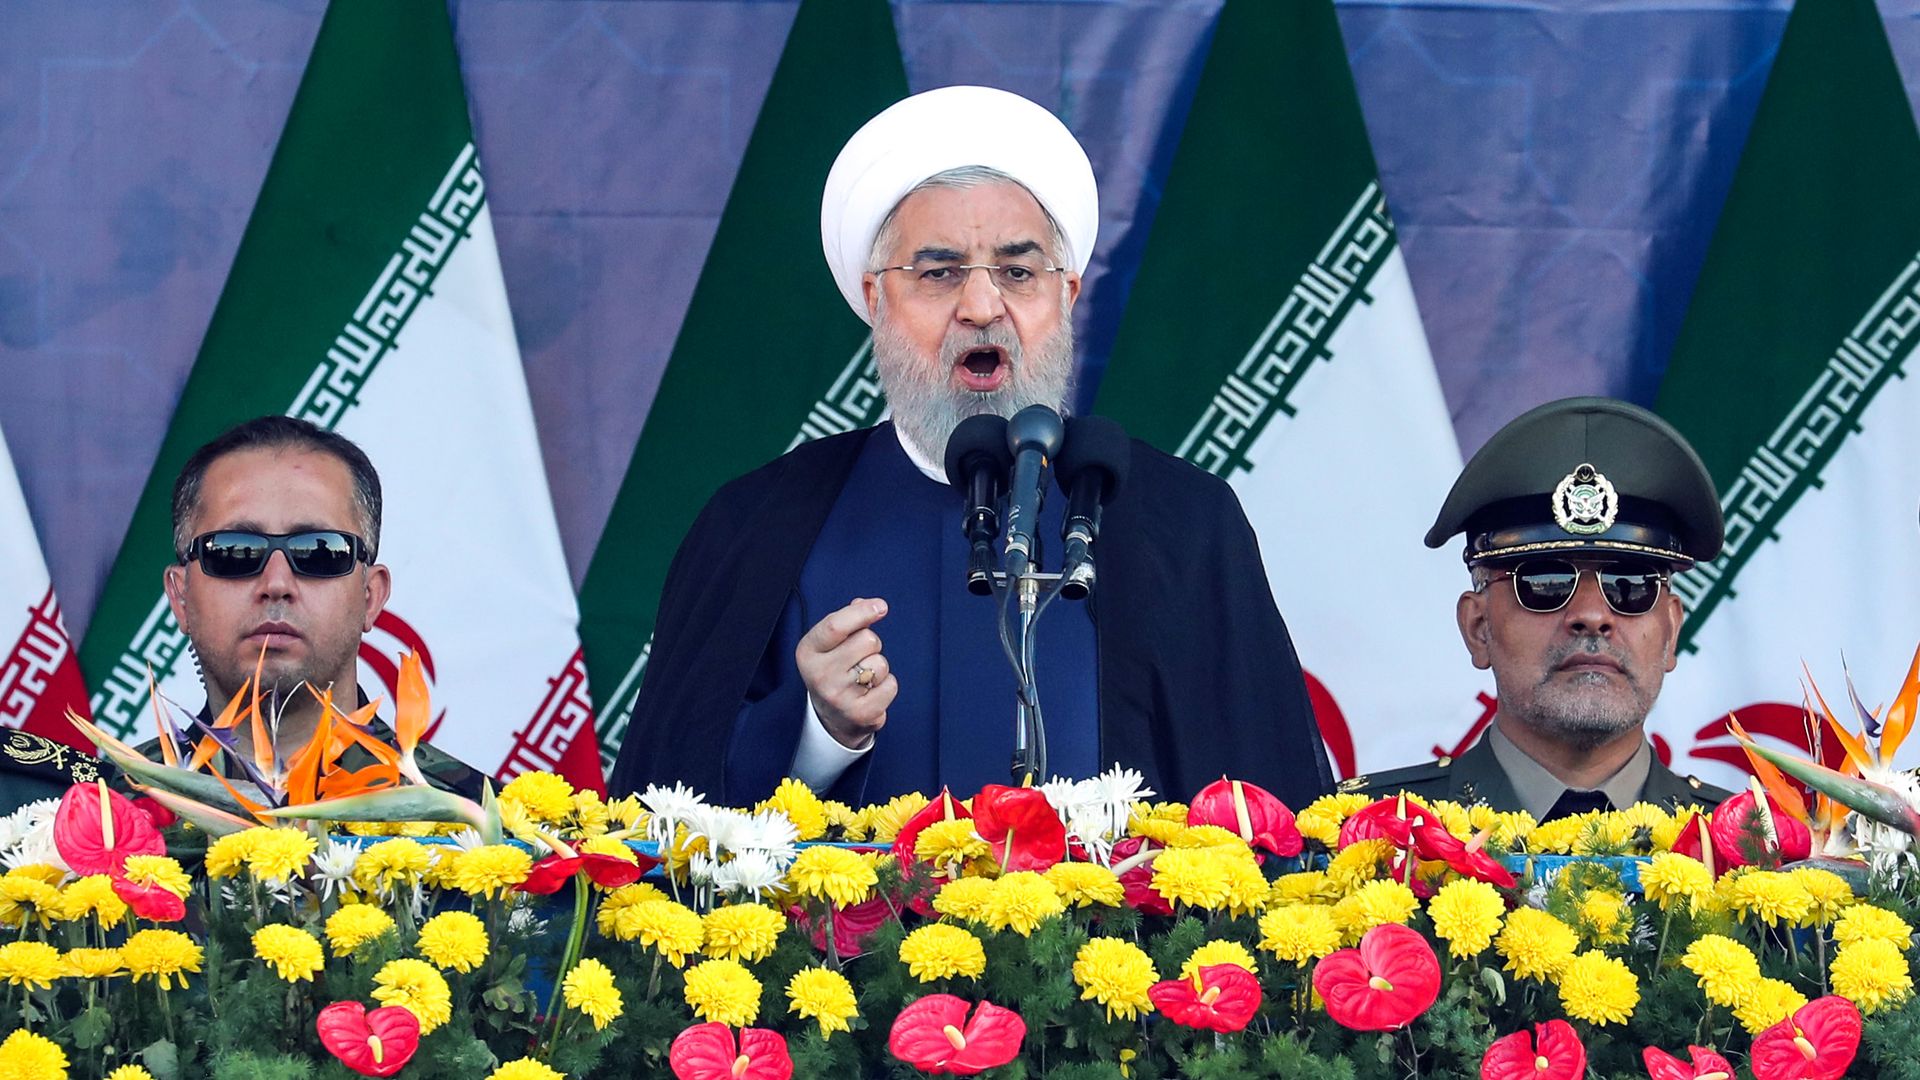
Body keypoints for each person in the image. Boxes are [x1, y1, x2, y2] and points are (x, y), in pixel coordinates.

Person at [609, 86, 1332, 809]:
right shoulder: (759, 523)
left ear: (1069, 295)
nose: (983, 307)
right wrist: (816, 730)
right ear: (875, 297)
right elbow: (663, 816)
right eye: (939, 272)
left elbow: (1269, 818)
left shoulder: (1181, 519)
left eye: (1018, 273)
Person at [1344, 397, 1732, 819]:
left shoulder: (1763, 862)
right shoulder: (1366, 841)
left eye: (1630, 584)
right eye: (1545, 583)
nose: (1592, 615)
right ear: (1478, 628)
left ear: (1671, 632)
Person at [137, 416, 481, 800]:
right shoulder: (98, 828)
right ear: (180, 596)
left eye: (320, 552)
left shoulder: (483, 829)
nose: (277, 585)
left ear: (371, 596)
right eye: (235, 552)